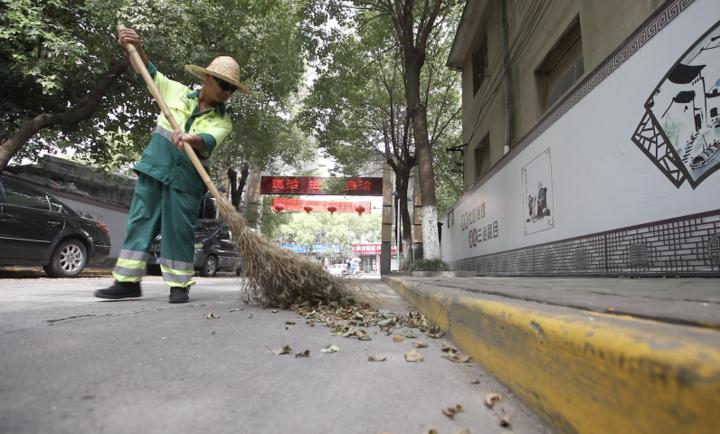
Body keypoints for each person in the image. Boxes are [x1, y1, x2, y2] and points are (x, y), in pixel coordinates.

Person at [95, 27, 248, 303]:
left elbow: (208, 139)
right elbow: (146, 70)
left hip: (186, 179)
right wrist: (135, 46)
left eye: (231, 88)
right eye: (223, 84)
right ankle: (127, 282)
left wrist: (192, 138)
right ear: (206, 78)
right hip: (155, 167)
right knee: (140, 222)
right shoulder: (174, 91)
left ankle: (179, 285)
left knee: (179, 231)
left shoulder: (224, 121)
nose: (227, 92)